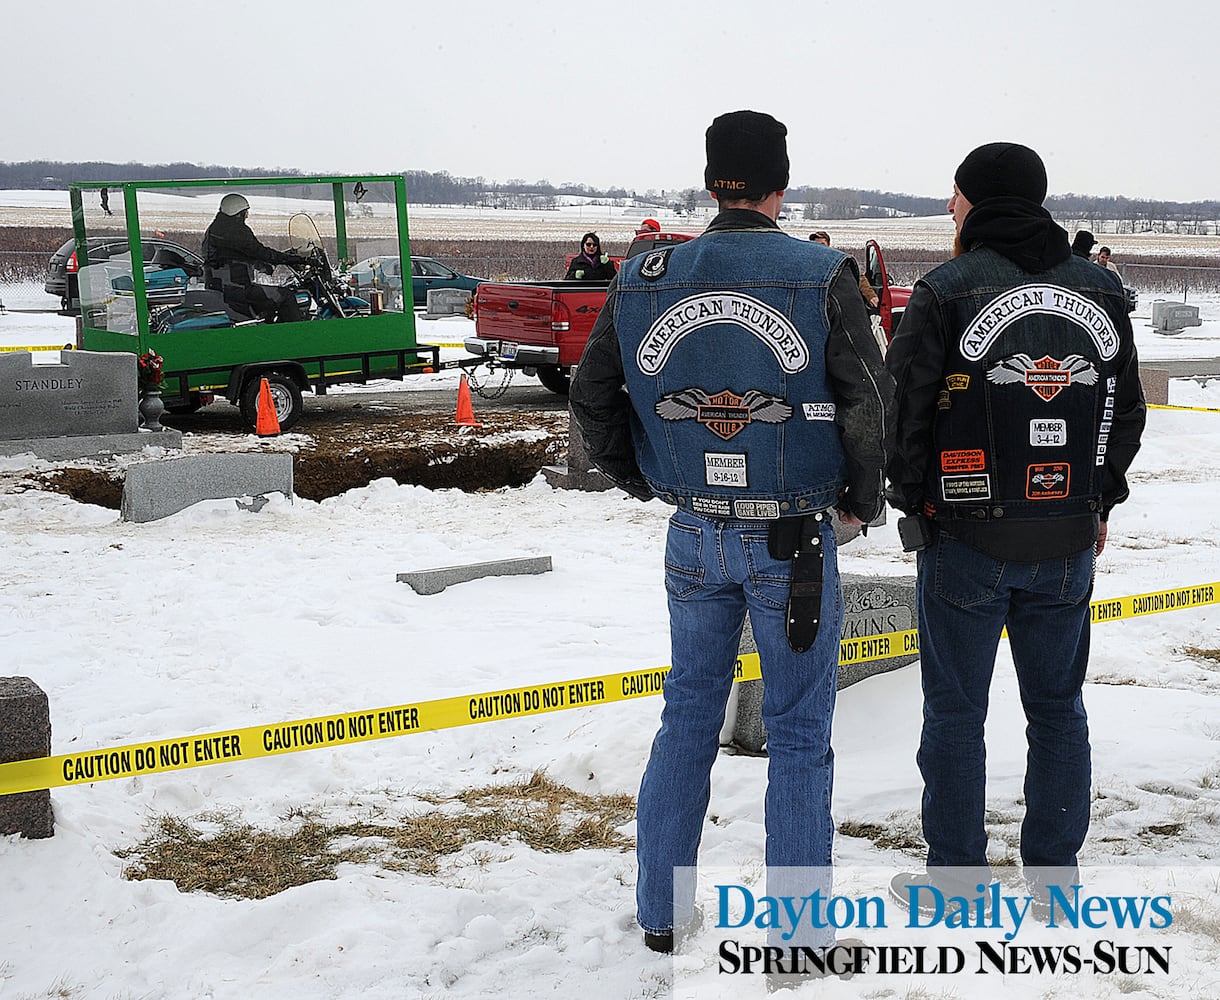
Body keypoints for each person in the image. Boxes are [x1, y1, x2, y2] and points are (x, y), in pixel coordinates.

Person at [570, 110, 893, 957]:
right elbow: (869, 402)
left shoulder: (644, 273)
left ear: (715, 179)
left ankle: (660, 914)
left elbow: (592, 393)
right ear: (780, 183)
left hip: (693, 533)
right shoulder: (822, 271)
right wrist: (863, 502)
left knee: (686, 718)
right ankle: (801, 934)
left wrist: (643, 475)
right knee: (796, 732)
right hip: (792, 538)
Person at [884, 142, 1146, 911]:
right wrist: (1097, 498)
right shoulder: (1099, 291)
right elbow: (1123, 411)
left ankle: (958, 882)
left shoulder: (944, 289)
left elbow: (905, 415)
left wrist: (914, 502)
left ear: (979, 201)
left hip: (966, 538)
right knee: (1058, 709)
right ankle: (1054, 880)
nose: (948, 207)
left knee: (957, 712)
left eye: (955, 195)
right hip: (1065, 537)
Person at [202, 193, 305, 323]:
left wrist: (263, 264)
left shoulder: (216, 228)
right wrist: (293, 259)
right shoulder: (235, 230)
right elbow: (259, 251)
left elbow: (236, 254)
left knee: (268, 304)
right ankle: (296, 335)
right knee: (286, 296)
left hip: (221, 286)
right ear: (238, 212)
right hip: (236, 289)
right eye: (245, 212)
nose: (247, 215)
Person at [810, 231, 880, 310]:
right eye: (816, 245)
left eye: (822, 244)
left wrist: (871, 296)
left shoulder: (838, 260)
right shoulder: (808, 262)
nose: (820, 248)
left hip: (834, 304)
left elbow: (859, 277)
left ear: (828, 245)